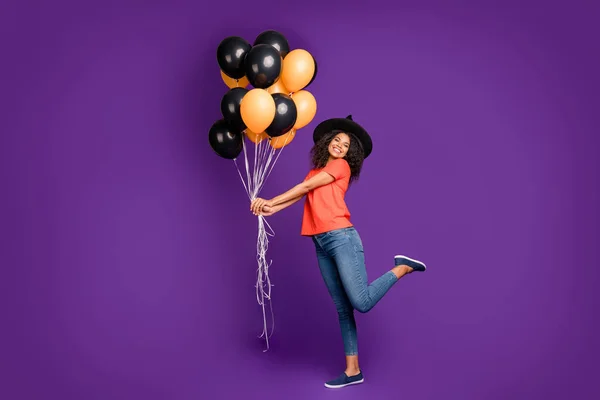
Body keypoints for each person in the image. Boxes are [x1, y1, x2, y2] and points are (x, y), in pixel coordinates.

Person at [250, 115, 426, 389]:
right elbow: (301, 194)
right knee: (343, 310)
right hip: (320, 243)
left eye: (345, 145)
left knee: (361, 302)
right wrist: (269, 208)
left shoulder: (340, 166)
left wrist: (271, 199)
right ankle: (353, 371)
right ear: (327, 143)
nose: (340, 146)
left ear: (348, 154)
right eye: (336, 141)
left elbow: (306, 187)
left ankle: (401, 268)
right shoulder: (316, 172)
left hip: (341, 238)